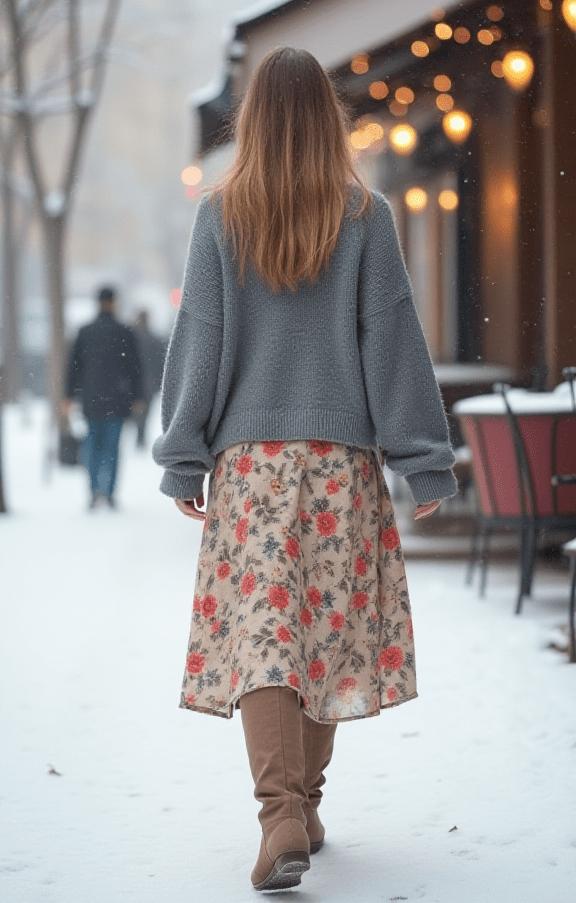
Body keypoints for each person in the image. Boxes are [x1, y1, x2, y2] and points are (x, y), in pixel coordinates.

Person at [152, 47, 457, 892]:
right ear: (329, 119)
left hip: (250, 470)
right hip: (339, 470)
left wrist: (185, 453)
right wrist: (424, 459)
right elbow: (392, 342)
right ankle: (301, 805)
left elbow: (200, 340)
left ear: (252, 121)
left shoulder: (222, 216)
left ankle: (284, 813)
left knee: (266, 638)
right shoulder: (366, 215)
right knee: (323, 633)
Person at [63, 287, 143, 509]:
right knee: (112, 449)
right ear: (114, 302)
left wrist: (68, 396)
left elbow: (73, 367)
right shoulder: (124, 332)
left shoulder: (85, 331)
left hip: (91, 400)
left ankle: (94, 491)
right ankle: (108, 493)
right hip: (117, 400)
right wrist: (137, 396)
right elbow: (135, 368)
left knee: (93, 447)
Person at [130, 310, 166, 448]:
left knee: (134, 406)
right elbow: (161, 362)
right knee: (146, 409)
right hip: (150, 381)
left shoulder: (131, 338)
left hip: (134, 380)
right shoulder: (154, 339)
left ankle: (137, 430)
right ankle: (141, 434)